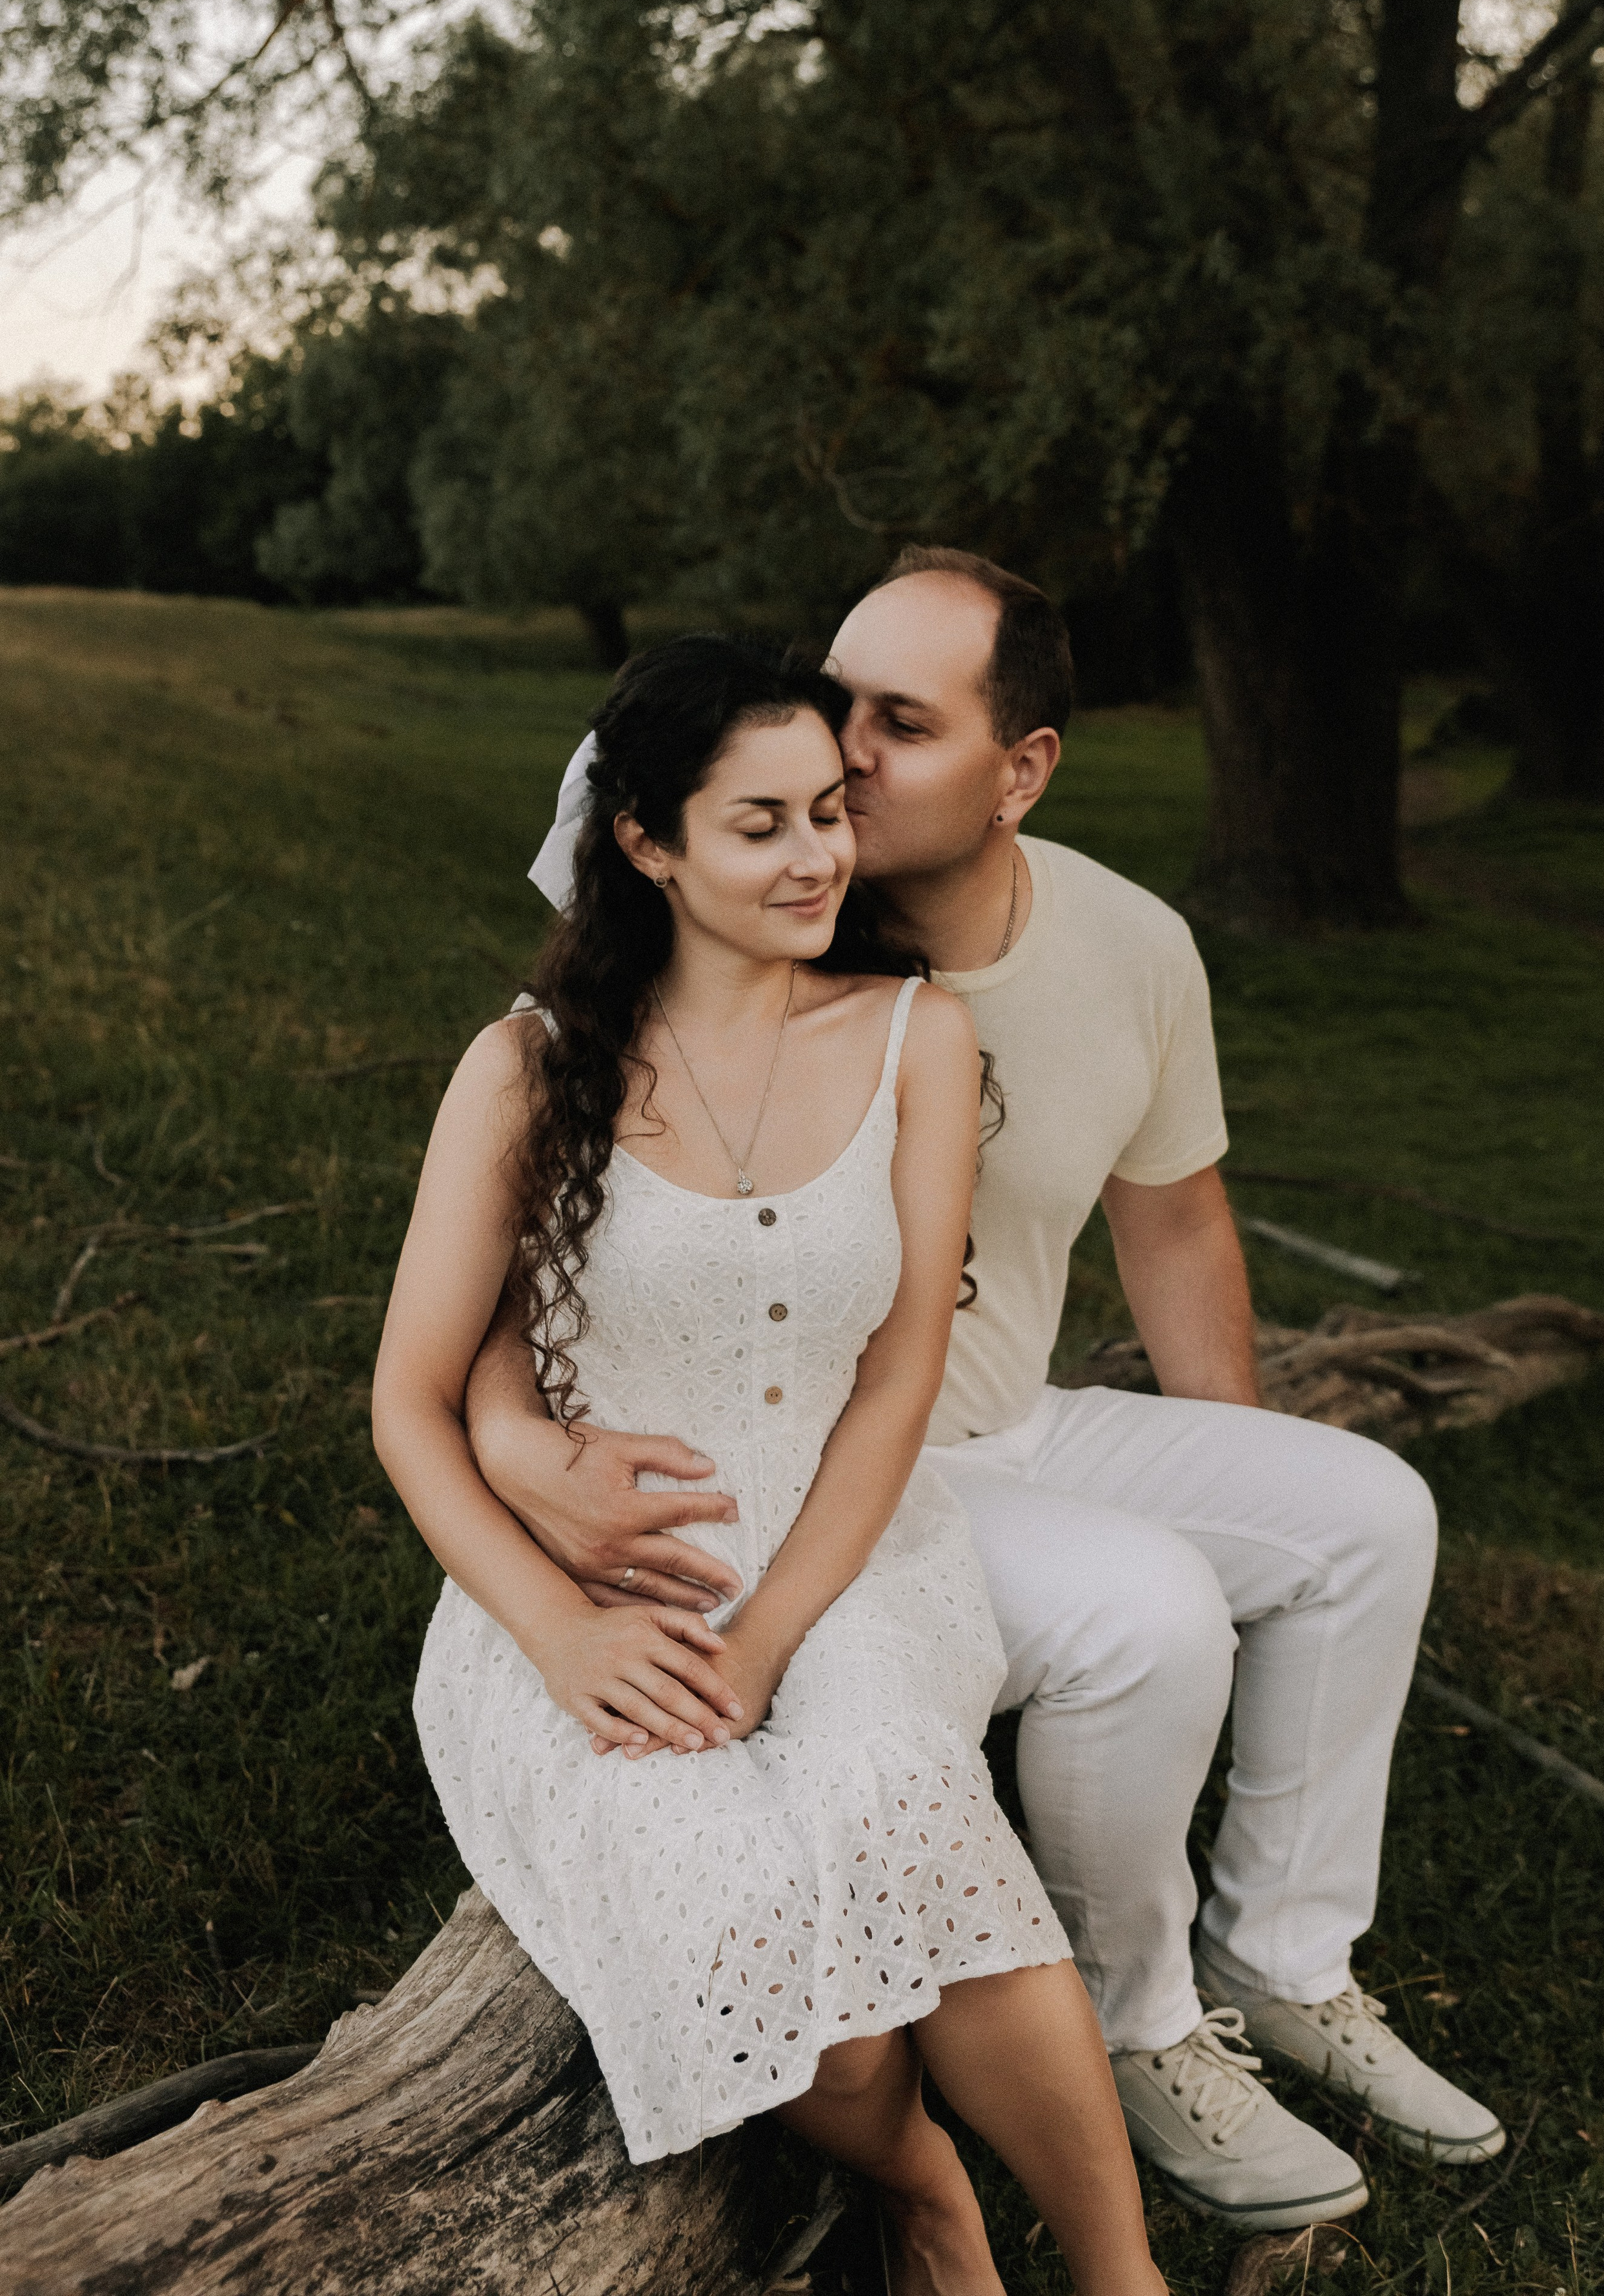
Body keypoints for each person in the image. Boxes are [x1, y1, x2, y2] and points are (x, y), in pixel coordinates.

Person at [466, 551, 1507, 2235]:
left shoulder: (1128, 945)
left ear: (1022, 768)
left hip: (996, 1417)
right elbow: (561, 1162)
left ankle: (1292, 1953)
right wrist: (514, 1439)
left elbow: (1176, 1220)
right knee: (1151, 1614)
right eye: (835, 699)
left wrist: (1225, 1449)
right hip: (808, 1471)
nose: (843, 758)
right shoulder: (751, 898)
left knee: (1366, 1514)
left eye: (898, 722)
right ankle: (1141, 2017)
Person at [374, 635, 1167, 2296]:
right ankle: (926, 2189)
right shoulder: (522, 1069)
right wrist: (559, 1626)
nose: (815, 856)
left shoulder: (915, 1037)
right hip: (582, 1593)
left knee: (898, 1803)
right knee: (720, 1889)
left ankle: (1117, 2276)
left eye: (827, 811)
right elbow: (409, 1403)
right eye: (759, 825)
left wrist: (774, 1628)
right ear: (646, 842)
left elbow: (897, 1372)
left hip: (857, 1550)